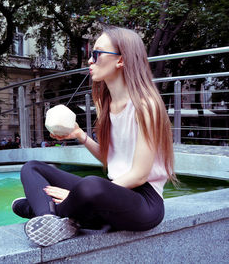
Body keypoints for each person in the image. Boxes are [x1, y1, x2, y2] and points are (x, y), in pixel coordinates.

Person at [12, 26, 178, 247]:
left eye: (97, 54)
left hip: (143, 203)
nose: (90, 60)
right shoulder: (106, 105)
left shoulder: (146, 106)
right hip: (112, 192)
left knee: (92, 185)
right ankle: (49, 219)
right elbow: (111, 160)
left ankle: (37, 209)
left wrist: (74, 195)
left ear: (121, 60)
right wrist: (79, 135)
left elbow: (138, 176)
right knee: (32, 167)